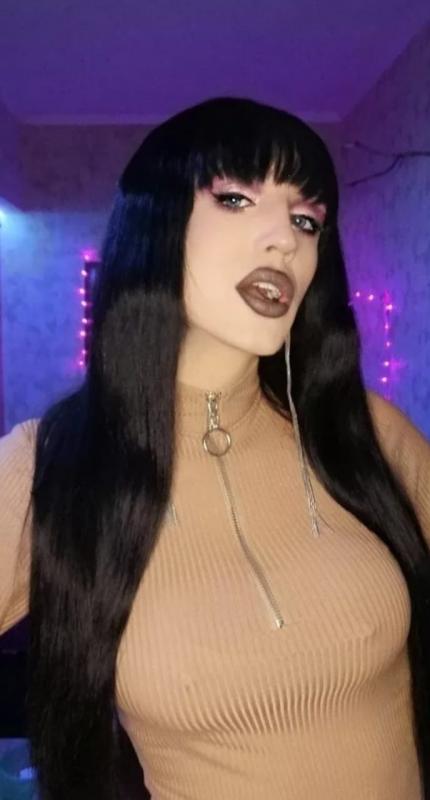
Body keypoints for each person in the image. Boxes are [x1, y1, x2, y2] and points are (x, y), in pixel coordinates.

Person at [0, 95, 430, 800]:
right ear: (157, 223)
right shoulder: (53, 462)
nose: (285, 240)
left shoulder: (363, 430)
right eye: (235, 198)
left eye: (306, 220)